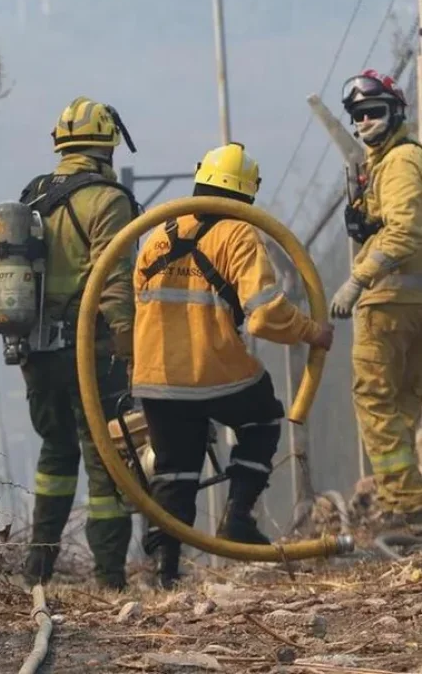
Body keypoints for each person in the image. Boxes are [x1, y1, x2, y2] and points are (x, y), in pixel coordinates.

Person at [131, 142, 334, 588]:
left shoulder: (160, 230)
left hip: (155, 376)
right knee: (263, 420)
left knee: (174, 469)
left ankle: (166, 574)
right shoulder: (239, 234)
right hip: (214, 369)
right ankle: (238, 517)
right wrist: (310, 331)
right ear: (248, 191)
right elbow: (264, 313)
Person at [20, 96, 137, 589]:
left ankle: (37, 570)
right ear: (108, 144)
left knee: (55, 454)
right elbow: (113, 282)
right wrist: (131, 348)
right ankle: (109, 578)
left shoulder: (31, 196)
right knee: (106, 461)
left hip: (36, 353)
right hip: (92, 352)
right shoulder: (107, 200)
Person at [330, 69, 422, 529]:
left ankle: (405, 507)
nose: (364, 123)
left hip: (389, 302)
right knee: (404, 404)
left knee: (375, 400)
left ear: (395, 113)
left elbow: (405, 230)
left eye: (373, 113)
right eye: (358, 116)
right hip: (405, 304)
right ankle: (410, 503)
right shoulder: (387, 164)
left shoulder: (402, 161)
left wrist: (357, 280)